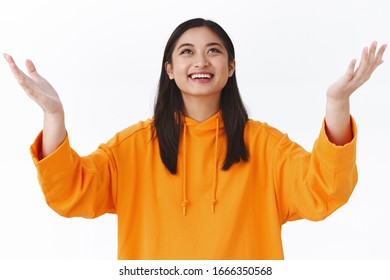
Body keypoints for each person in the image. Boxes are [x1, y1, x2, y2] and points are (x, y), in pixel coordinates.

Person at [3, 18, 387, 260]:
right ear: (170, 69)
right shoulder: (133, 147)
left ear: (230, 67)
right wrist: (53, 115)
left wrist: (337, 103)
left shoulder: (267, 147)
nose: (201, 61)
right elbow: (70, 192)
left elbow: (325, 189)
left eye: (214, 52)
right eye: (187, 52)